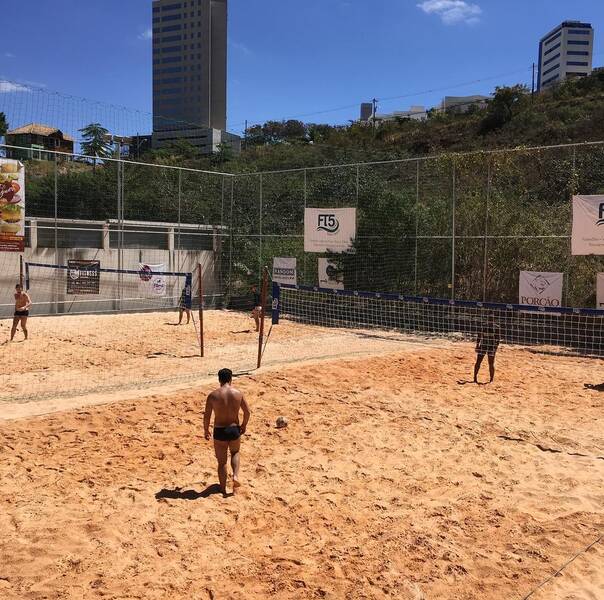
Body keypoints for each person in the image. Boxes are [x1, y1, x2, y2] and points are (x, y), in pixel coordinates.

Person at [204, 368, 251, 496]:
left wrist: (206, 430)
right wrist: (244, 425)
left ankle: (223, 488)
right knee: (235, 452)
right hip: (234, 428)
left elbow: (207, 416)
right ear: (231, 379)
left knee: (222, 462)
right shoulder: (238, 393)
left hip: (219, 430)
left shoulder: (213, 395)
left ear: (219, 380)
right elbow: (247, 412)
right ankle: (235, 476)